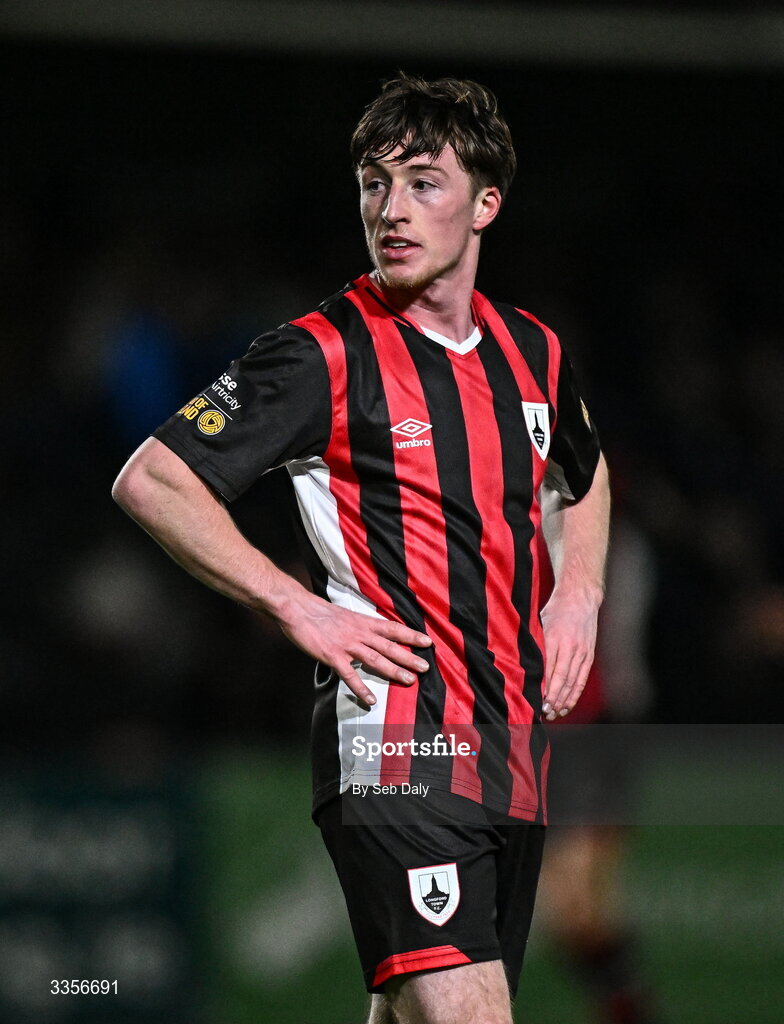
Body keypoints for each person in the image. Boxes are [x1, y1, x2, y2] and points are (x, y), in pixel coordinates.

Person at [113, 74, 610, 1024]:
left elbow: (581, 477)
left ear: (485, 204)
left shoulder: (534, 353)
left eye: (423, 182)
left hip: (509, 747)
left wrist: (579, 588)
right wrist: (297, 605)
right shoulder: (319, 353)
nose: (391, 209)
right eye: (373, 183)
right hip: (395, 746)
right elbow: (154, 478)